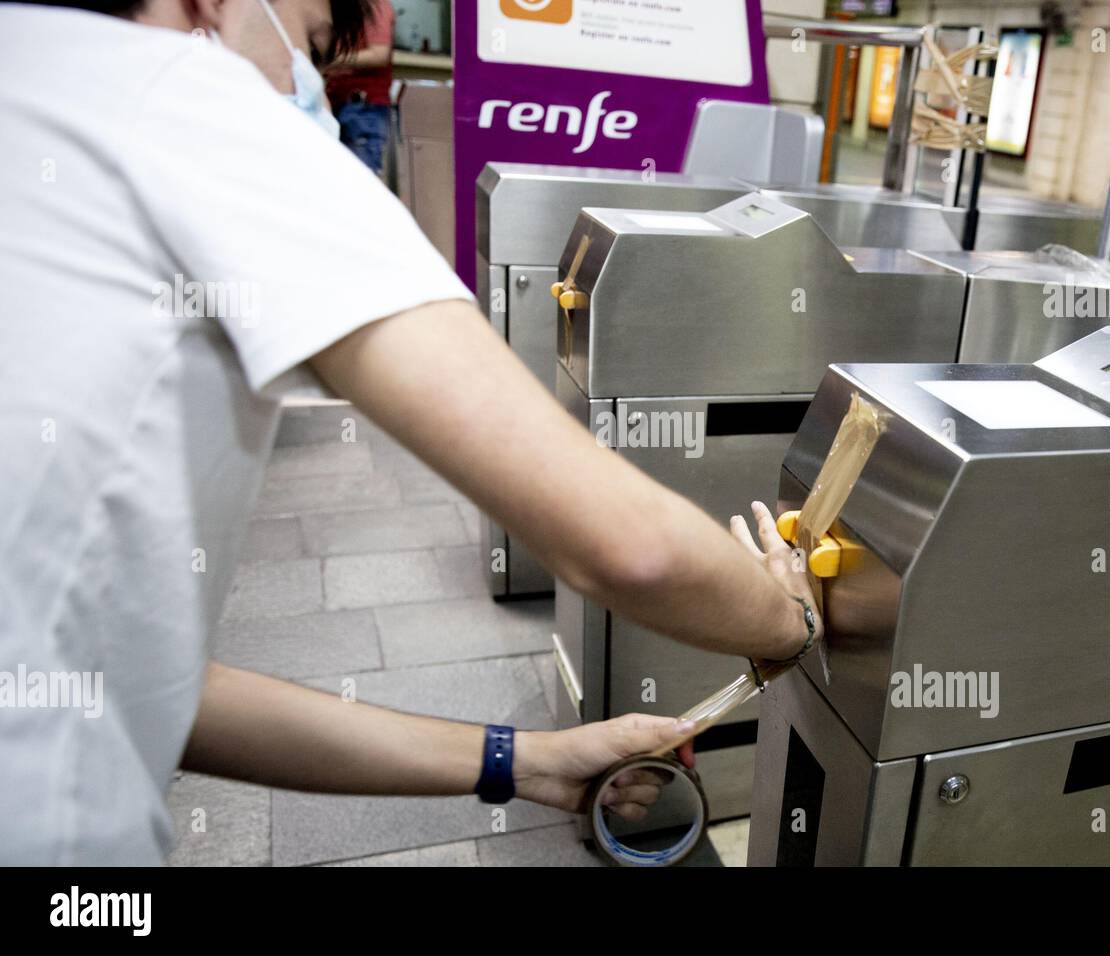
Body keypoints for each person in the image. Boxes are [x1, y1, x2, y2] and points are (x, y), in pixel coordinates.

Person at [0, 0, 820, 865]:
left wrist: (530, 762)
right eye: (313, 40)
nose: (312, 81)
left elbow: (147, 690)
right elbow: (630, 549)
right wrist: (787, 619)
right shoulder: (186, 101)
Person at [325, 0, 394, 173]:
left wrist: (328, 61)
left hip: (363, 107)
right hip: (340, 103)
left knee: (360, 179)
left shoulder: (373, 5)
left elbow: (379, 54)